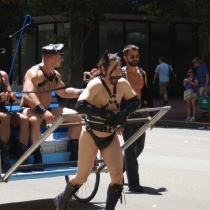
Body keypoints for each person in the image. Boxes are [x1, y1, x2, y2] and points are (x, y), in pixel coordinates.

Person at [54, 51, 141, 210]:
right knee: (82, 177)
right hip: (91, 134)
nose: (118, 71)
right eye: (114, 68)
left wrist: (123, 114)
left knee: (117, 176)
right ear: (103, 69)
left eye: (119, 68)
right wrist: (105, 114)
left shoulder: (123, 83)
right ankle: (62, 199)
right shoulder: (95, 84)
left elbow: (135, 101)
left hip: (110, 135)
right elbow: (81, 105)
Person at [20, 43, 82, 167]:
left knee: (76, 117)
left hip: (47, 110)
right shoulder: (34, 73)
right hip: (30, 109)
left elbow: (64, 92)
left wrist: (83, 92)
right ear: (53, 58)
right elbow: (28, 94)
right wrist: (43, 111)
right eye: (61, 56)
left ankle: (74, 156)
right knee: (35, 120)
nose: (63, 59)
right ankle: (38, 158)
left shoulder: (55, 75)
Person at [122, 44, 154, 192]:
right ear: (125, 58)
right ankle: (134, 183)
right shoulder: (120, 74)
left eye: (136, 56)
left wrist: (152, 114)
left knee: (139, 147)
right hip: (126, 115)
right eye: (132, 56)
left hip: (140, 113)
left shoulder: (142, 72)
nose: (135, 59)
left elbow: (145, 93)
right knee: (130, 149)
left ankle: (118, 168)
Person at [0, 70, 29, 173]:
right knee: (5, 117)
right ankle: (5, 160)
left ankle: (22, 161)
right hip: (4, 115)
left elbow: (9, 98)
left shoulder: (3, 75)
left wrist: (11, 97)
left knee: (24, 120)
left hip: (3, 111)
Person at [192, 57, 210, 121]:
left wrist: (206, 85)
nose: (194, 64)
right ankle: (204, 113)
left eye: (195, 63)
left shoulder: (203, 67)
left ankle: (205, 113)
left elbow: (207, 75)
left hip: (203, 85)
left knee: (204, 99)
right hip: (200, 86)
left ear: (198, 62)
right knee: (202, 99)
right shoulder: (196, 68)